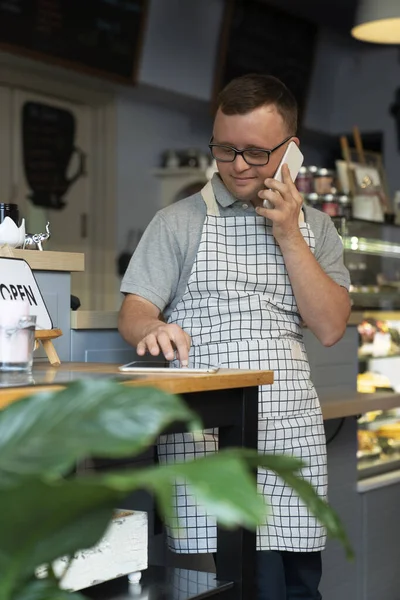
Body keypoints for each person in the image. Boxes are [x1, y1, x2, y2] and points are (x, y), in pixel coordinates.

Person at [118, 73, 351, 600]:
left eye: (255, 151)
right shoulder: (177, 222)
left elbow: (332, 326)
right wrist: (152, 327)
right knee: (238, 584)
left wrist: (289, 232)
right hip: (210, 436)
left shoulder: (317, 228)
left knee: (298, 582)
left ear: (290, 151)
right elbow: (133, 313)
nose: (239, 165)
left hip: (288, 429)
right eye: (225, 149)